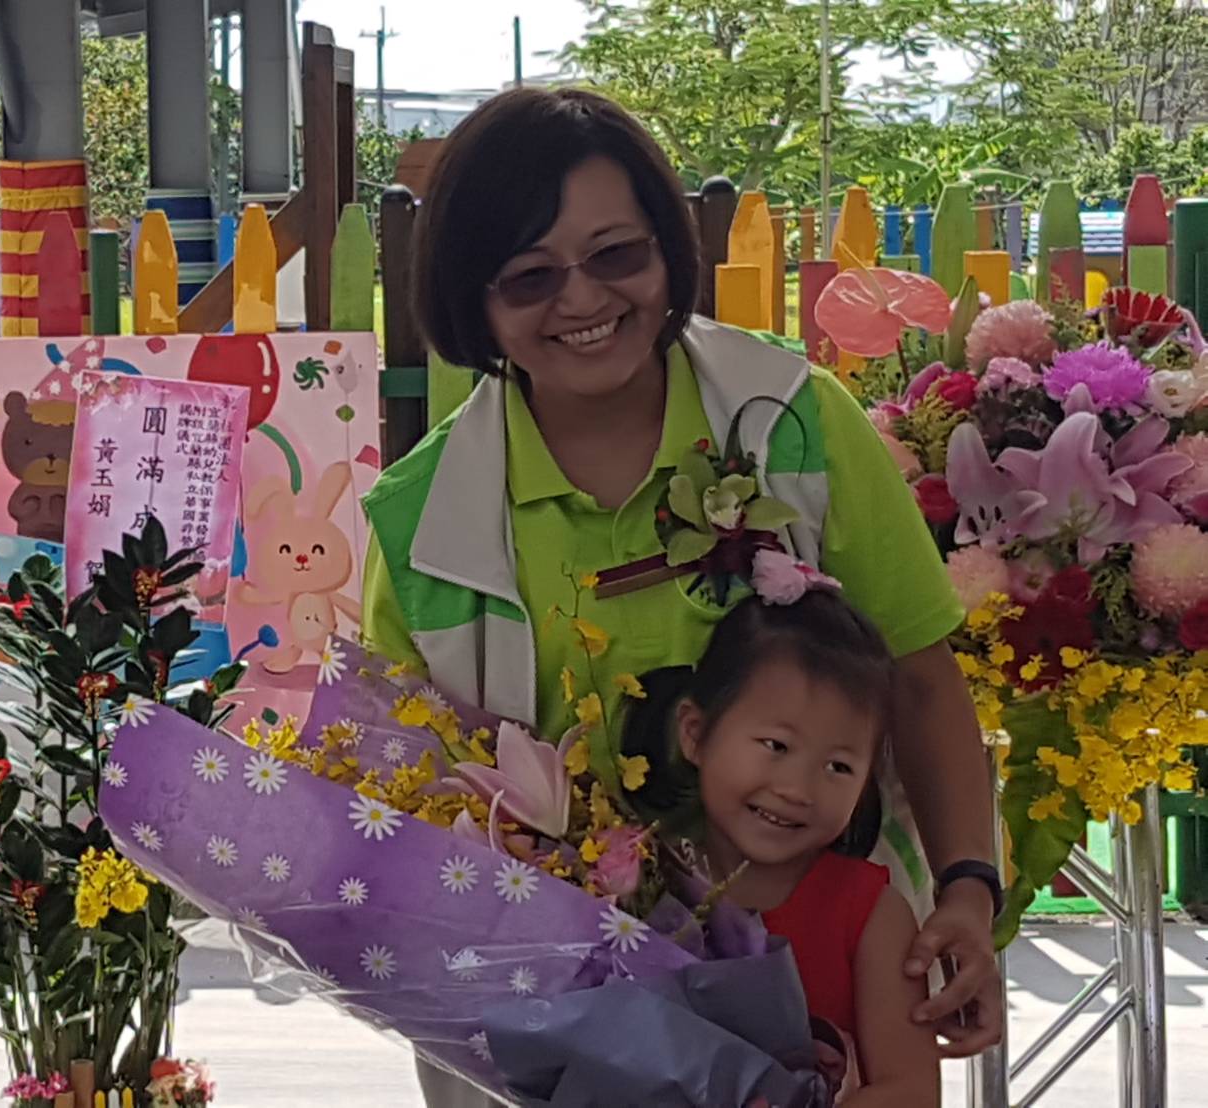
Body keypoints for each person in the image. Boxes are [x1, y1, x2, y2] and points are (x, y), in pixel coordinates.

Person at [359, 87, 1001, 1107]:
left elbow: (918, 676)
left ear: (667, 248)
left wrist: (968, 885)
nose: (581, 300)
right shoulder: (421, 520)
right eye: (529, 276)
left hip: (825, 987)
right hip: (545, 1026)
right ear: (470, 301)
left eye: (616, 254)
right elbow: (408, 808)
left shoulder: (792, 422)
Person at [623, 573, 941, 1104]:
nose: (797, 789)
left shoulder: (873, 914)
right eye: (776, 745)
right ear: (695, 733)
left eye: (838, 766)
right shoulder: (636, 883)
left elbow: (911, 1090)